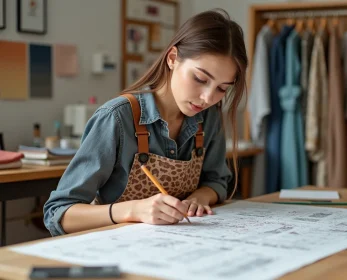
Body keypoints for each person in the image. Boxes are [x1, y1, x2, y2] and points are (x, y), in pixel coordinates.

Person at [43, 9, 248, 236]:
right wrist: (133, 210)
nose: (208, 98)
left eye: (222, 88)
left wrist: (200, 197)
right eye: (200, 79)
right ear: (172, 59)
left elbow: (217, 180)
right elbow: (58, 213)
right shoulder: (117, 118)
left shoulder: (209, 117)